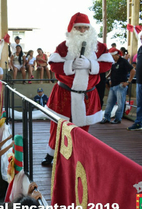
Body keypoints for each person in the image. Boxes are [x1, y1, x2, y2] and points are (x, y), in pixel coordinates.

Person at [41, 12, 113, 166]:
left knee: (83, 129)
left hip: (86, 96)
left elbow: (107, 64)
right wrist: (71, 65)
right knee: (57, 126)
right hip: (64, 94)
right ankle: (51, 155)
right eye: (78, 27)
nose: (81, 31)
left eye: (84, 28)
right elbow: (53, 66)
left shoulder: (100, 47)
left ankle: (79, 155)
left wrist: (91, 65)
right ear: (72, 29)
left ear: (90, 29)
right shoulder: (62, 47)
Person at [100, 48, 135, 124]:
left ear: (116, 55)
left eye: (112, 56)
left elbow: (133, 70)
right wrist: (107, 77)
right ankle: (106, 117)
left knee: (120, 103)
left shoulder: (123, 62)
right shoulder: (113, 63)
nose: (111, 58)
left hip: (120, 85)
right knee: (109, 103)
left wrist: (128, 81)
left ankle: (118, 118)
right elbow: (112, 71)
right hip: (113, 85)